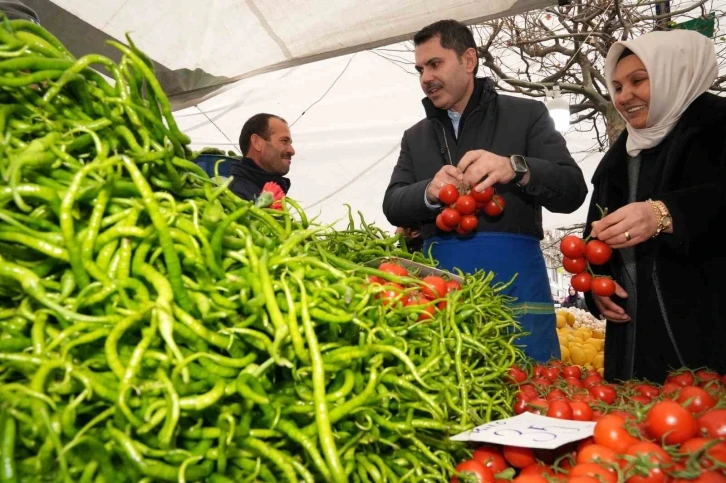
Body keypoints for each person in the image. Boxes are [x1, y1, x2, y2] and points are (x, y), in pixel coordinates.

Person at [382, 20, 588, 362]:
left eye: (435, 64)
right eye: (420, 69)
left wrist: (516, 168)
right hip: (442, 296)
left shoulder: (527, 115)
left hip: (518, 289)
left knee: (530, 390)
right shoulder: (415, 137)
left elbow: (573, 189)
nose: (425, 78)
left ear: (468, 60)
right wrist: (429, 193)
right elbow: (393, 204)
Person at [583, 30, 726, 383]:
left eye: (638, 81)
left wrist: (666, 213)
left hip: (707, 328)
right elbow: (594, 237)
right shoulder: (619, 158)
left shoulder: (718, 127)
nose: (624, 96)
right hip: (634, 338)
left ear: (671, 75)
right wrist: (598, 286)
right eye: (616, 87)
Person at [230, 113, 295, 202]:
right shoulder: (237, 196)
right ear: (257, 143)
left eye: (290, 143)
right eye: (284, 141)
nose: (292, 151)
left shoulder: (264, 192)